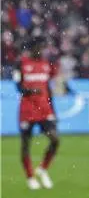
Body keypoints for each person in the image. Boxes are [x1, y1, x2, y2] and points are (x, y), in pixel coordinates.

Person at [13, 38, 61, 190]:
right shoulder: (22, 63)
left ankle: (42, 169)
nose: (41, 51)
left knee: (55, 139)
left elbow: (48, 88)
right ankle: (30, 177)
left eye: (43, 48)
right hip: (27, 110)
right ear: (32, 48)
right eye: (39, 48)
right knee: (26, 144)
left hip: (44, 109)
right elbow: (18, 86)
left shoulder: (46, 65)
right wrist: (29, 91)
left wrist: (53, 110)